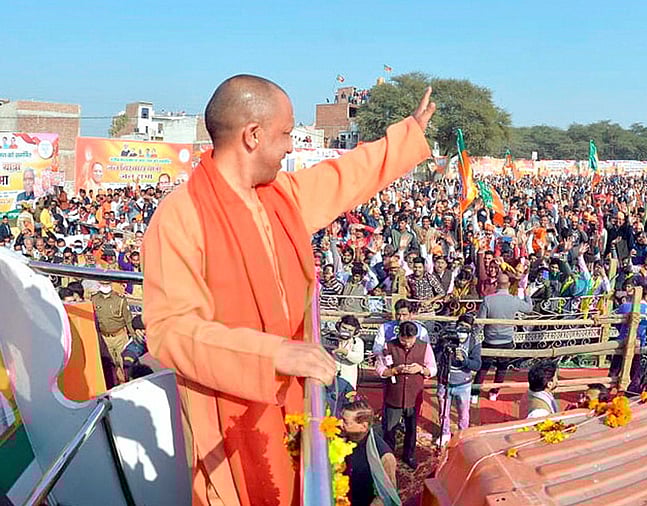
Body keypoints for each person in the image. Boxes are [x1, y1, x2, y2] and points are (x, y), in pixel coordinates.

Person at [142, 75, 434, 505]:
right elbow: (170, 332)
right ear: (253, 136)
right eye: (285, 134)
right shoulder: (181, 217)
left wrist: (408, 133)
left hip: (294, 399)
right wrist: (272, 354)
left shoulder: (279, 197)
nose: (291, 146)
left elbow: (344, 177)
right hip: (228, 414)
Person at [375, 321, 436, 468]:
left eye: (410, 341)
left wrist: (420, 369)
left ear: (415, 336)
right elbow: (380, 369)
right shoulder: (389, 346)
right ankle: (388, 456)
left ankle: (409, 455)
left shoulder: (424, 347)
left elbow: (433, 369)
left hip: (414, 395)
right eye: (403, 340)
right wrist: (395, 370)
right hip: (394, 394)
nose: (407, 344)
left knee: (411, 428)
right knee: (389, 428)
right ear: (399, 335)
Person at [475, 273, 533, 401]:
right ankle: (494, 393)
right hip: (506, 340)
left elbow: (480, 322)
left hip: (489, 339)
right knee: (502, 368)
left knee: (483, 367)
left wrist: (473, 336)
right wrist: (527, 294)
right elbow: (529, 308)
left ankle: (474, 392)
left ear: (496, 284)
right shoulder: (514, 300)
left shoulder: (488, 300)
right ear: (508, 285)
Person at [341, 397, 400, 506]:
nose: (340, 424)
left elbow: (385, 496)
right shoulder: (344, 437)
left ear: (363, 426)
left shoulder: (383, 456)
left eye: (346, 422)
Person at [434, 313, 482, 446]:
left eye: (466, 328)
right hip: (445, 381)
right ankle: (445, 433)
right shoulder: (446, 337)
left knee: (463, 413)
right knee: (443, 411)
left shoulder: (474, 342)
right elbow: (435, 356)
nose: (462, 331)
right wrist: (443, 348)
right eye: (460, 326)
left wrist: (465, 361)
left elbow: (477, 365)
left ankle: (463, 434)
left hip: (463, 384)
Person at [329, 315, 365, 389]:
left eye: (350, 330)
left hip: (348, 384)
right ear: (338, 326)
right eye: (344, 328)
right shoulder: (330, 338)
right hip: (330, 381)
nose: (346, 331)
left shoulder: (357, 342)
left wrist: (345, 352)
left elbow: (358, 358)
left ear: (355, 332)